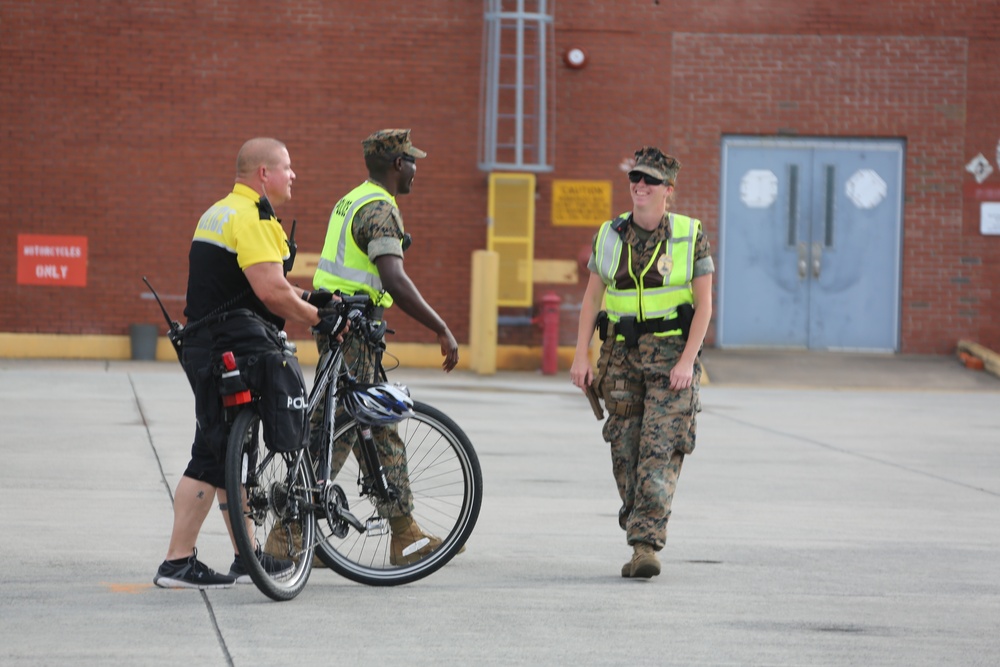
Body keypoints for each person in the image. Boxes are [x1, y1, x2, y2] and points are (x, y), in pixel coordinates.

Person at [154, 138, 344, 589]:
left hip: (212, 342)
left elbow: (257, 285)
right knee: (211, 454)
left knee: (229, 452)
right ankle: (176, 564)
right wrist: (320, 319)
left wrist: (315, 299)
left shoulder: (220, 211)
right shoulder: (252, 215)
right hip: (228, 346)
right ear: (263, 173)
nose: (293, 175)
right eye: (287, 167)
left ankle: (247, 557)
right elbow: (270, 292)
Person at [308, 128, 460, 565]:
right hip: (351, 330)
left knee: (356, 427)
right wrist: (440, 326)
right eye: (412, 161)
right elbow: (393, 277)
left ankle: (308, 533)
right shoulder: (379, 209)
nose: (415, 170)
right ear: (398, 165)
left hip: (342, 324)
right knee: (357, 426)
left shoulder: (352, 198)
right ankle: (395, 533)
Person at [570, 146, 714, 579]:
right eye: (635, 177)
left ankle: (645, 545)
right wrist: (582, 355)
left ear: (668, 189)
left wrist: (688, 362)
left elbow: (704, 306)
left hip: (672, 359)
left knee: (658, 452)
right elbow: (592, 297)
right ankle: (638, 528)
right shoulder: (609, 234)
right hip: (620, 360)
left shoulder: (690, 234)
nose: (640, 185)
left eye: (650, 180)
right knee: (625, 452)